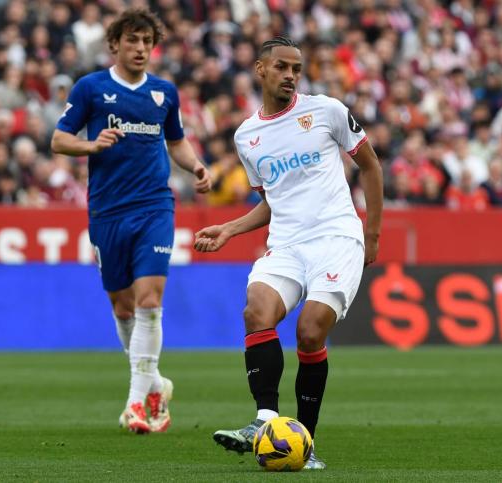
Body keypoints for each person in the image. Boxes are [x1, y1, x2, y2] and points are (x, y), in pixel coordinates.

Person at [194, 37, 383, 469]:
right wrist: (229, 229)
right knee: (256, 311)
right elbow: (271, 201)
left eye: (296, 69)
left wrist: (371, 235)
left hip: (337, 239)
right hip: (287, 244)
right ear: (260, 69)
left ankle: (307, 442)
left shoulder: (326, 111)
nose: (290, 75)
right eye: (281, 67)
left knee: (311, 332)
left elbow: (371, 165)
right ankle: (264, 421)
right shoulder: (247, 137)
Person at [50, 8, 211, 433]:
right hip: (108, 210)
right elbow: (58, 139)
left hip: (156, 206)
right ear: (115, 45)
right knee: (122, 306)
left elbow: (176, 142)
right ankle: (155, 383)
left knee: (149, 302)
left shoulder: (164, 93)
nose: (140, 49)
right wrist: (91, 145)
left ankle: (136, 403)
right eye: (133, 41)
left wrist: (195, 166)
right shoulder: (92, 88)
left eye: (147, 42)